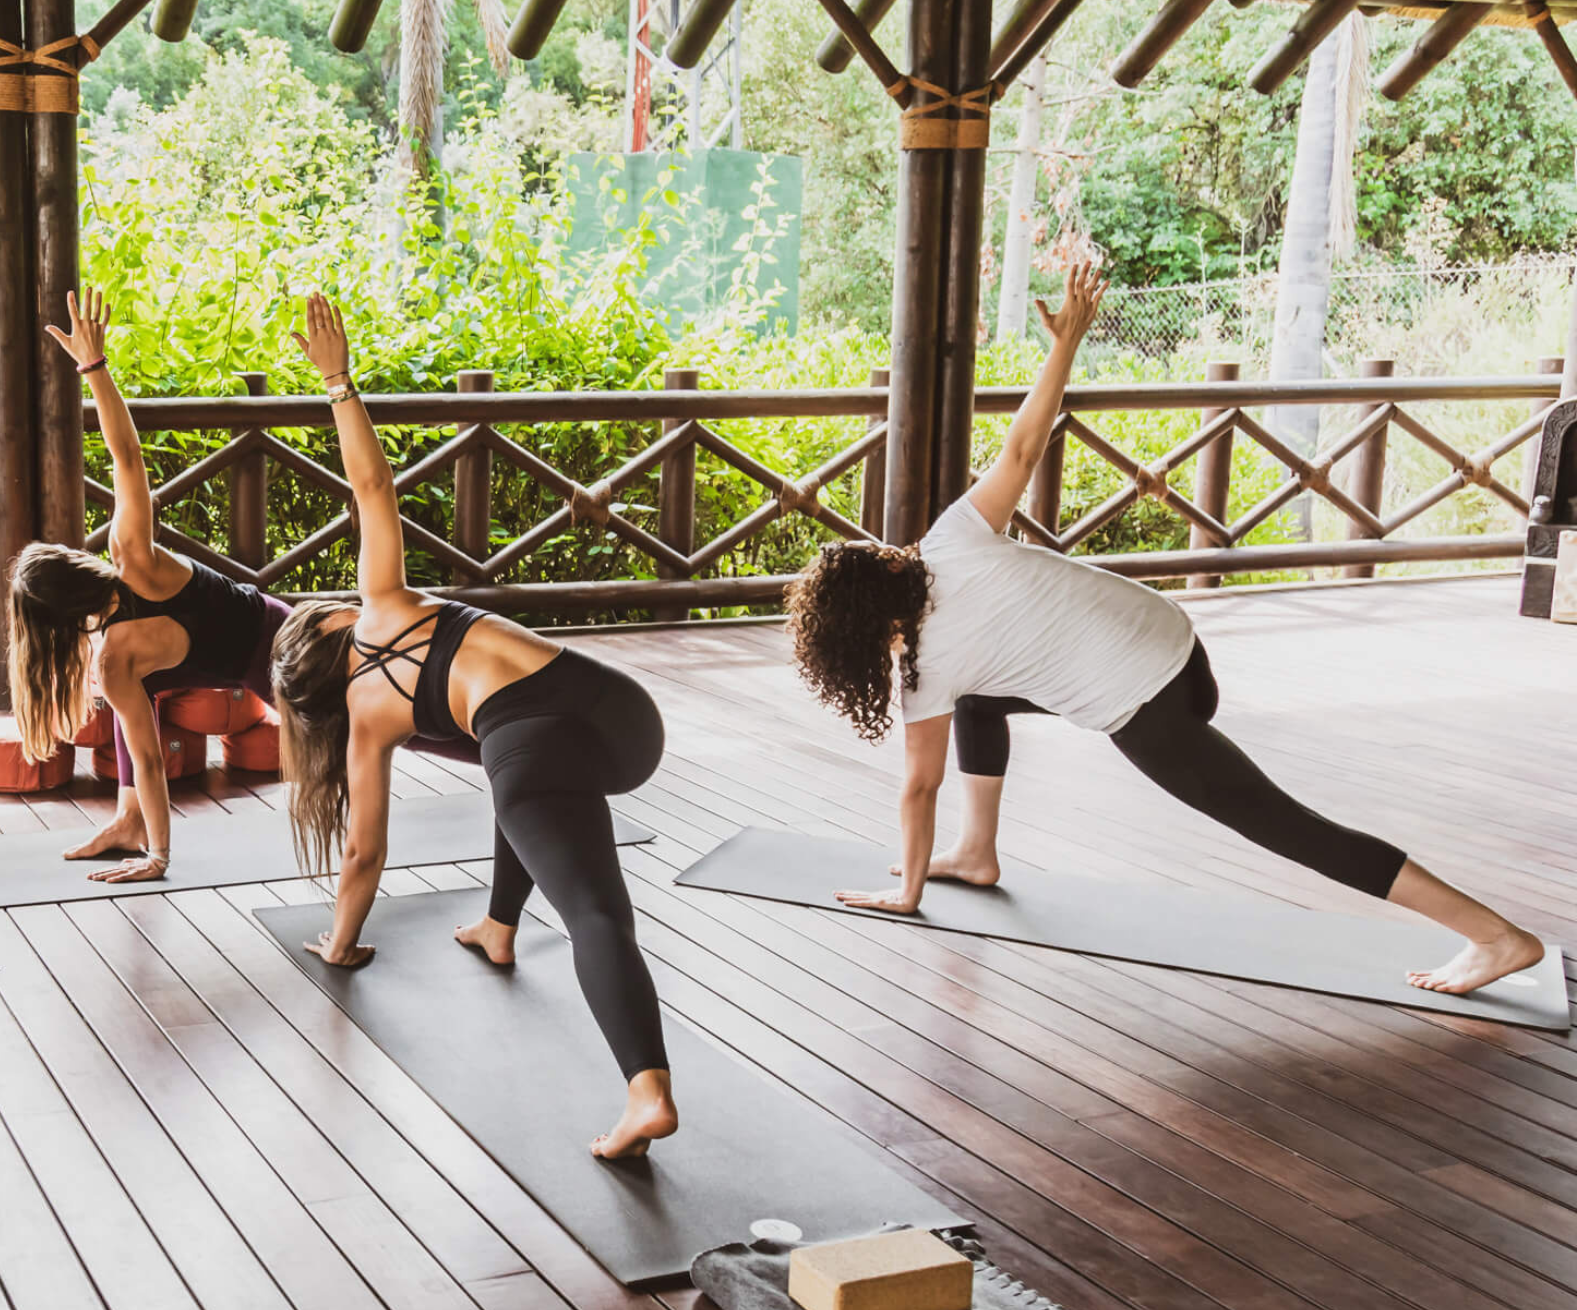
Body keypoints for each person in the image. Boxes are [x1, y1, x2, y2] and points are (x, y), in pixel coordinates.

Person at [787, 259, 1546, 997]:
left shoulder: (927, 671)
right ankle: (977, 853)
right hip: (1179, 645)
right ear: (888, 566)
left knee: (1281, 824)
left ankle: (1496, 936)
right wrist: (1066, 341)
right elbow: (1024, 444)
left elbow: (918, 787)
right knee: (980, 700)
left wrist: (908, 892)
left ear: (857, 639)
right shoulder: (953, 536)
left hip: (1149, 702)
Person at [267, 293, 678, 1158]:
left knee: (595, 908)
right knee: (525, 787)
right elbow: (370, 485)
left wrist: (340, 946)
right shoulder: (384, 601)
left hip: (539, 747)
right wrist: (338, 383)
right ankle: (498, 925)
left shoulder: (369, 723)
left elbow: (363, 854)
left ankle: (645, 1095)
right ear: (332, 627)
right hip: (623, 715)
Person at [5, 289, 293, 883]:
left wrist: (162, 861)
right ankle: (128, 822)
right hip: (263, 638)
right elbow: (128, 457)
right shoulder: (129, 559)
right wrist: (93, 366)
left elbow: (151, 759)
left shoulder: (116, 646)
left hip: (287, 652)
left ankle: (138, 828)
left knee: (379, 730)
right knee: (126, 700)